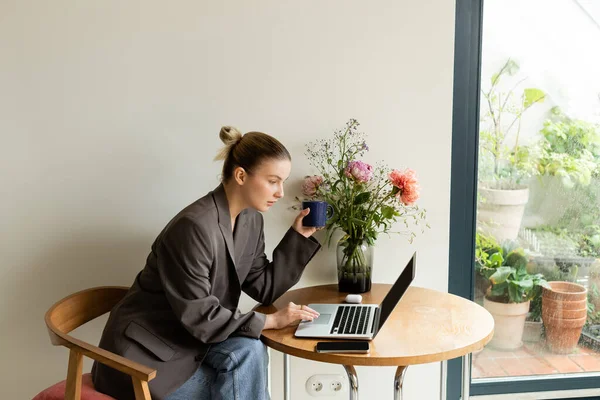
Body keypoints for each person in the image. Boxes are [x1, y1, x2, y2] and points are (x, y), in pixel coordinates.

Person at [92, 126, 322, 400]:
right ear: (240, 175)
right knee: (238, 384)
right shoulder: (192, 227)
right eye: (273, 181)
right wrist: (271, 320)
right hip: (145, 357)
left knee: (250, 351)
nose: (281, 192)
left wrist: (298, 237)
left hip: (192, 340)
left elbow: (264, 287)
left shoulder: (250, 220)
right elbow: (200, 316)